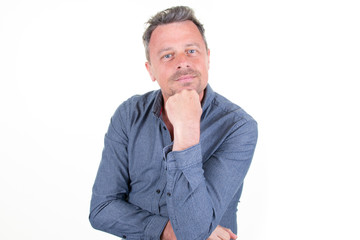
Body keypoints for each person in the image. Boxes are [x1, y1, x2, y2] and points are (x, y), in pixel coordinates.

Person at [89, 6, 258, 240]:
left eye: (191, 51)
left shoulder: (238, 127)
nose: (182, 62)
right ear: (151, 70)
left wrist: (186, 133)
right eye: (168, 55)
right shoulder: (128, 115)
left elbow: (193, 232)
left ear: (208, 58)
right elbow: (101, 209)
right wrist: (167, 230)